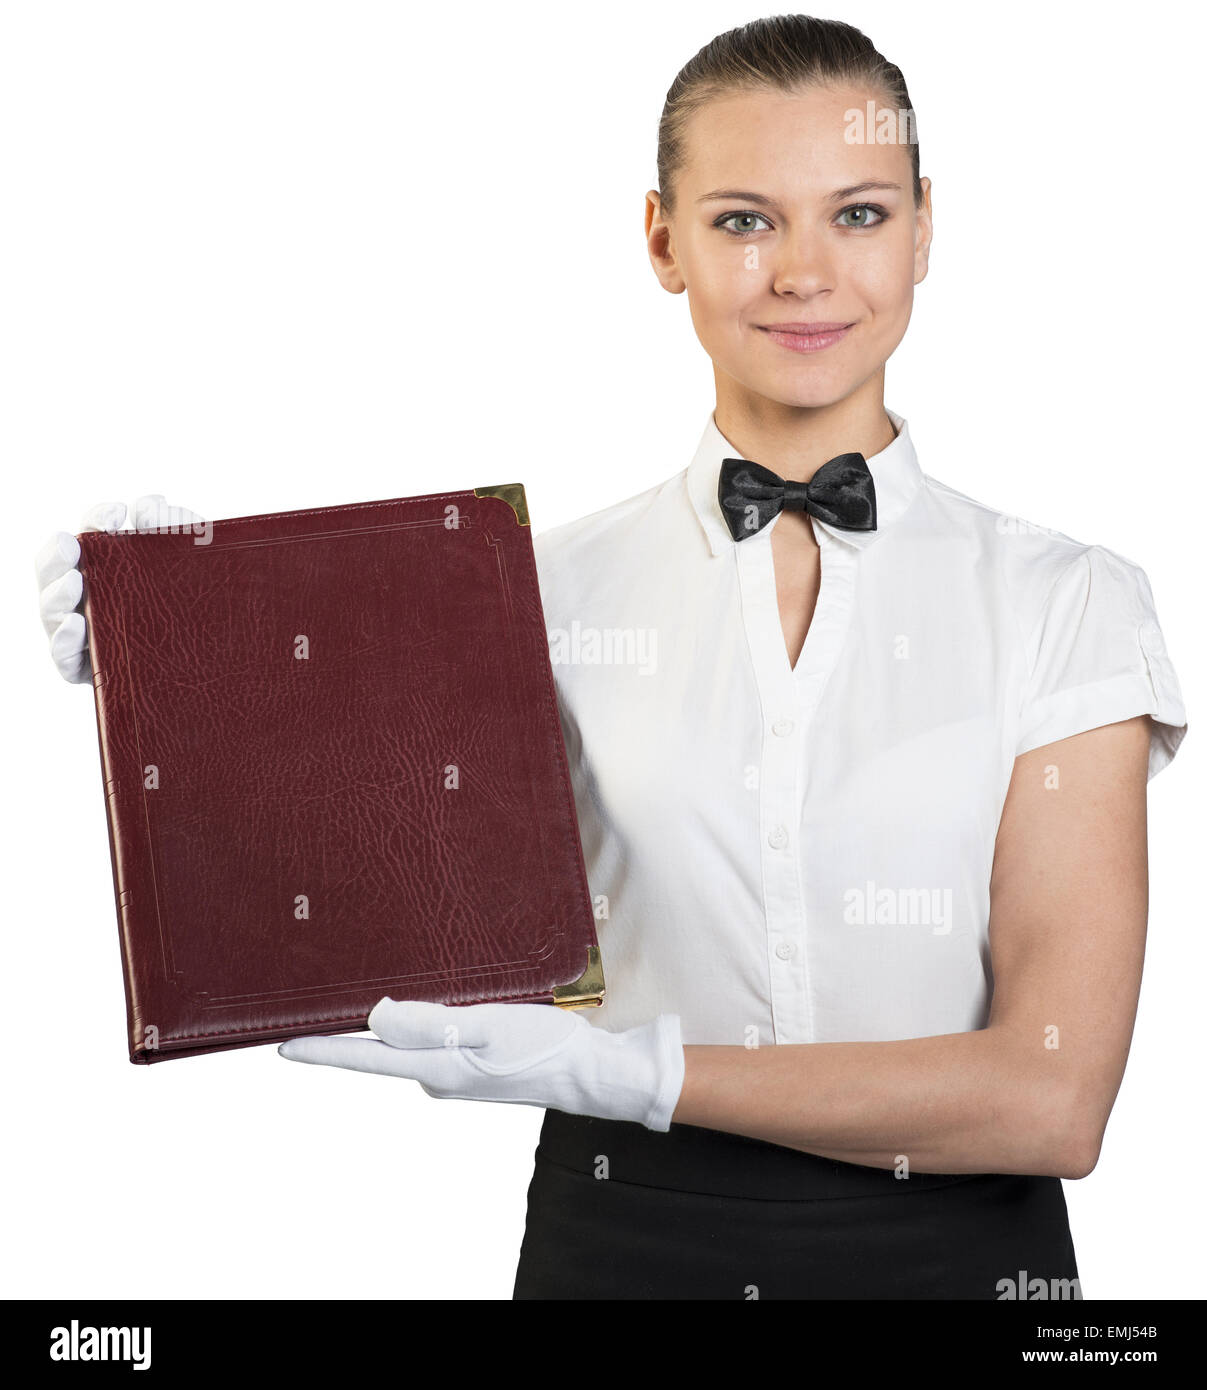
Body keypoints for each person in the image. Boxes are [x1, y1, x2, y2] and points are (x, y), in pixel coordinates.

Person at [36, 15, 1188, 1300]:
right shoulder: (520, 587)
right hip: (619, 1245)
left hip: (968, 1262)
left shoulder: (1065, 600)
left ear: (926, 226)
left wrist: (638, 1071)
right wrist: (174, 673)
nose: (804, 273)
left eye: (856, 215)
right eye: (745, 221)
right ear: (662, 240)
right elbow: (364, 880)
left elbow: (1050, 1094)